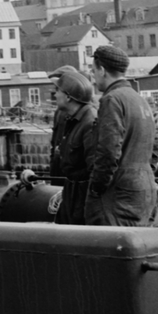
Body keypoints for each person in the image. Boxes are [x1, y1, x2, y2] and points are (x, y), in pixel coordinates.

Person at [84, 44, 158, 227]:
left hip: (117, 196)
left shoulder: (112, 99)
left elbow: (108, 151)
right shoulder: (140, 100)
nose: (93, 77)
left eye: (93, 71)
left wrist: (96, 188)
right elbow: (155, 149)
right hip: (145, 190)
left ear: (102, 70)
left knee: (108, 242)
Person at [48, 66, 98, 225]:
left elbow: (96, 170)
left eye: (58, 90)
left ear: (68, 97)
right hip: (72, 193)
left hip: (82, 199)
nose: (55, 94)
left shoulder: (90, 123)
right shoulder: (73, 119)